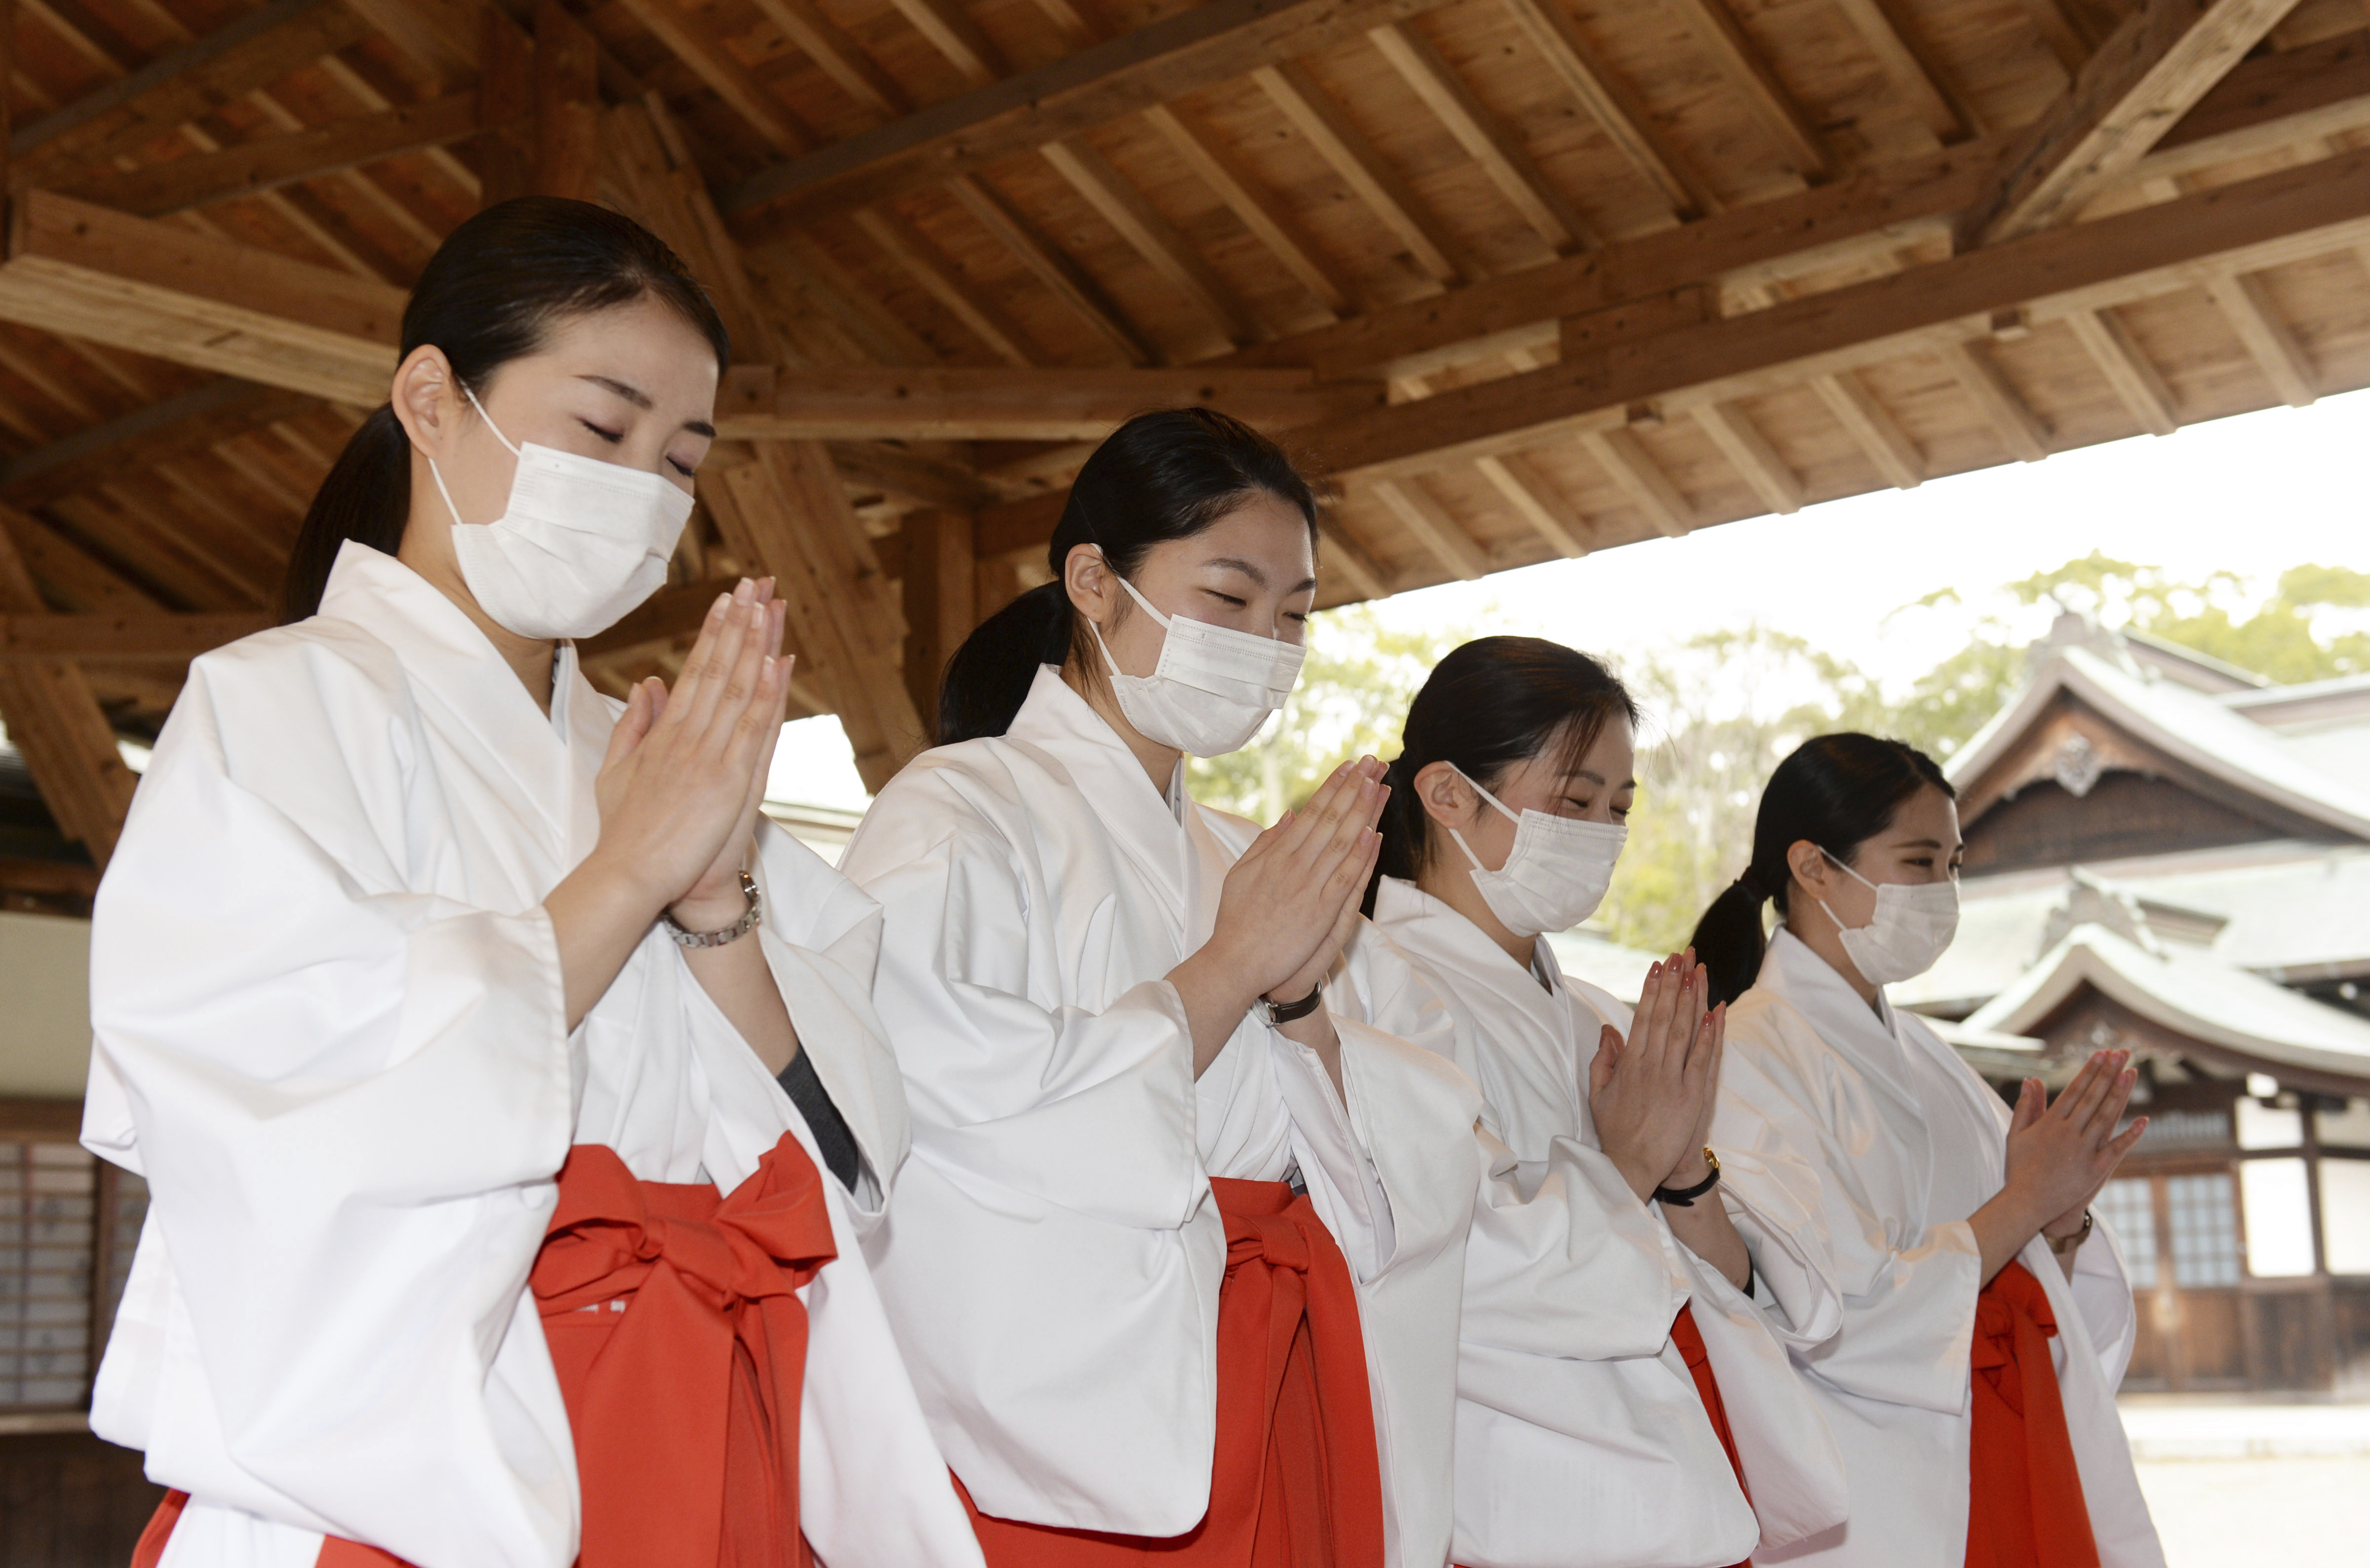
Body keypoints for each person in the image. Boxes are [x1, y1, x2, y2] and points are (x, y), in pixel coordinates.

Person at [82, 198, 982, 1568]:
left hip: (706, 1411)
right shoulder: (273, 710)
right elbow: (278, 1107)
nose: (646, 491)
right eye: (604, 429)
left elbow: (852, 1163)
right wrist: (625, 869)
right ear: (432, 399)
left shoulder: (652, 752)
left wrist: (715, 905)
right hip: (439, 1431)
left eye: (682, 460)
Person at [838, 409, 1491, 1568]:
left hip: (1275, 1355)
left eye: (1294, 615)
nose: (1267, 643)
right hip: (1079, 1394)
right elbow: (926, 1107)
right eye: (1230, 599)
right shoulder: (955, 810)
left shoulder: (1250, 853)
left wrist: (1294, 1003)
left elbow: (1399, 1148)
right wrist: (1232, 966)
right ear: (1095, 579)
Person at [1357, 636, 1846, 1568]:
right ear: (1449, 794)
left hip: (1670, 1483)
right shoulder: (1372, 993)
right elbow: (1450, 1268)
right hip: (1509, 1504)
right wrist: (1624, 1164)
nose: (1601, 833)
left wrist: (1681, 1174)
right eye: (1575, 801)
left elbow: (1753, 1281)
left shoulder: (1599, 1018)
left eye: (1618, 809)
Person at [1691, 733, 2163, 1568]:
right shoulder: (1748, 1054)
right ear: (1814, 868)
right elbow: (1833, 1310)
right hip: (1867, 1478)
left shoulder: (1929, 1055)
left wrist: (2059, 1223)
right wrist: (2022, 1205)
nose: (1943, 892)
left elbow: (2022, 1259)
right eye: (1918, 861)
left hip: (2000, 1437)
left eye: (1953, 866)